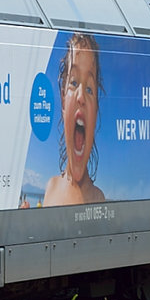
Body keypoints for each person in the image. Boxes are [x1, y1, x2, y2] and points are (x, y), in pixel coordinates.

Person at [43, 32, 106, 206]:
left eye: (90, 90)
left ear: (95, 113)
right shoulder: (51, 187)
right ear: (63, 100)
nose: (81, 97)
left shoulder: (98, 198)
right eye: (74, 83)